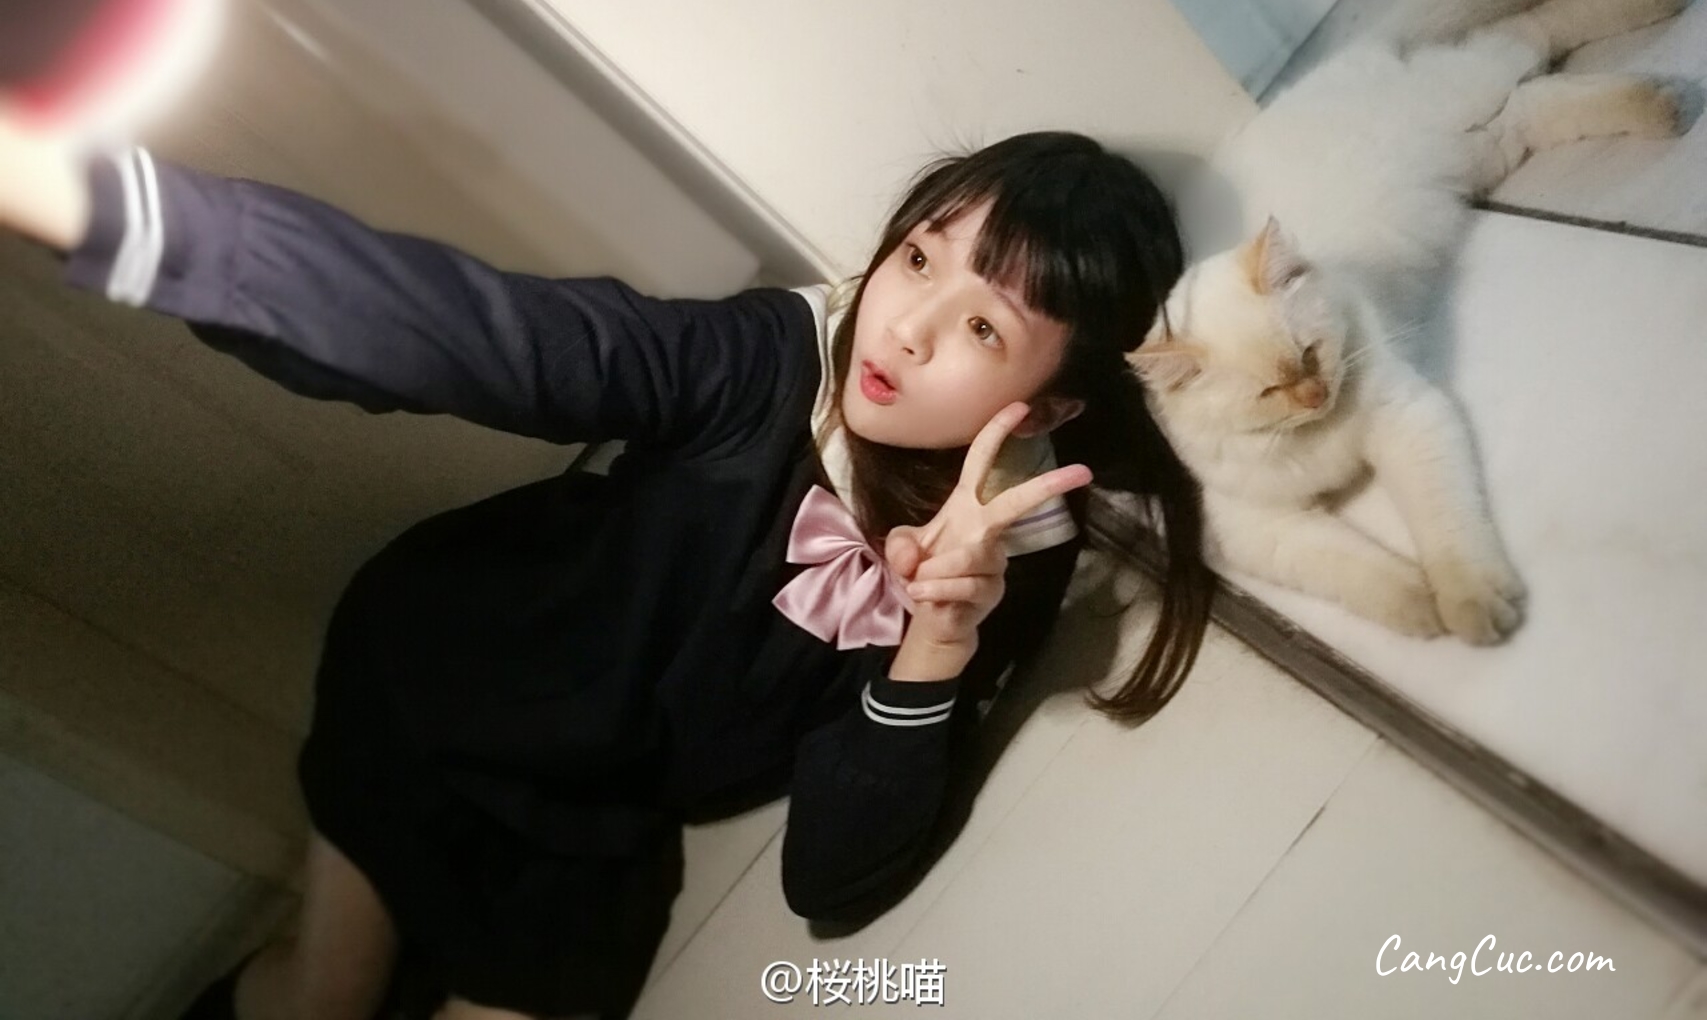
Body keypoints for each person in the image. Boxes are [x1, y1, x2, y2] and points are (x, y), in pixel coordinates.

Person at [0, 117, 1217, 1020]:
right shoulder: (765, 359)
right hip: (455, 680)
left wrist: (941, 637)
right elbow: (497, 336)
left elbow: (831, 878)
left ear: (1047, 402)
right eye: (917, 258)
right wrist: (118, 211)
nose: (906, 326)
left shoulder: (1008, 549)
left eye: (985, 326)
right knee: (321, 997)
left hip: (603, 810)